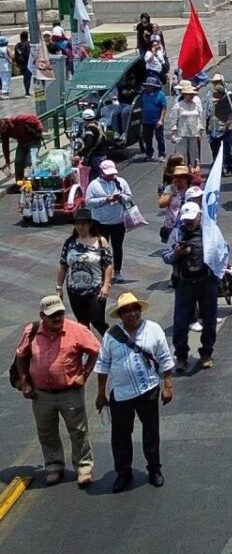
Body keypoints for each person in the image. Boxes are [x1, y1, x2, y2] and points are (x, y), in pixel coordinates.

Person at [14, 295, 100, 487]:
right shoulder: (31, 331)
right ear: (42, 316)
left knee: (78, 431)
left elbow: (95, 351)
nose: (57, 318)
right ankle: (53, 466)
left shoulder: (77, 331)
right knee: (46, 432)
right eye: (52, 315)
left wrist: (85, 374)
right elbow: (20, 356)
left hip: (70, 392)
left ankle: (84, 467)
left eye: (60, 313)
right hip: (41, 394)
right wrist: (25, 383)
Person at [94, 292, 174, 492]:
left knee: (151, 432)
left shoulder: (153, 329)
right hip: (121, 395)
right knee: (120, 436)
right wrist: (101, 394)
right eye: (127, 311)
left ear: (140, 310)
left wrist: (168, 386)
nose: (132, 314)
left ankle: (154, 469)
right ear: (120, 315)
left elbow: (165, 359)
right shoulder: (111, 336)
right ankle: (123, 473)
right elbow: (103, 366)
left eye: (135, 309)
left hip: (148, 390)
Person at [162, 203, 219, 373]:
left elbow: (223, 250)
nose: (189, 223)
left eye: (192, 219)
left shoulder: (210, 231)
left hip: (206, 282)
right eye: (186, 220)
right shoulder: (176, 233)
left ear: (199, 216)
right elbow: (166, 256)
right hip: (185, 284)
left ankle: (206, 353)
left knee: (209, 321)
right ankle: (181, 356)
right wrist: (177, 253)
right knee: (180, 323)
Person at [55, 209, 113, 334]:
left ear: (90, 224)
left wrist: (106, 285)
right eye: (77, 223)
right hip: (74, 290)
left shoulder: (100, 241)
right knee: (82, 324)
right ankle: (87, 345)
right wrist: (59, 287)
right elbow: (63, 265)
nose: (80, 227)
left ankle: (112, 341)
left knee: (97, 320)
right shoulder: (70, 242)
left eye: (83, 223)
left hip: (95, 289)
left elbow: (108, 265)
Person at [84, 160, 132, 283]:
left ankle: (117, 272)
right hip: (100, 223)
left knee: (117, 247)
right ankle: (101, 272)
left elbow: (129, 197)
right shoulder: (94, 185)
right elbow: (88, 202)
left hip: (118, 221)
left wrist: (121, 197)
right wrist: (105, 200)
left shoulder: (121, 182)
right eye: (108, 174)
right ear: (101, 172)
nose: (111, 176)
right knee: (101, 248)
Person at [0, 114, 44, 186]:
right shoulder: (4, 133)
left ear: (6, 125)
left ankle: (32, 182)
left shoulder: (17, 119)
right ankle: (20, 184)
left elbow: (34, 119)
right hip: (22, 143)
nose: (3, 132)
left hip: (34, 141)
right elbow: (5, 146)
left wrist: (39, 131)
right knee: (18, 162)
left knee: (29, 162)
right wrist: (7, 162)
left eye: (3, 130)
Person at [169, 82, 204, 168]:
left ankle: (194, 171)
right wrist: (173, 134)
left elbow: (199, 119)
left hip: (194, 133)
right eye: (189, 94)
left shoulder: (196, 105)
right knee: (182, 154)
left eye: (192, 94)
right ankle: (183, 171)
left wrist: (200, 132)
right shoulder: (178, 105)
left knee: (194, 154)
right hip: (182, 133)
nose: (192, 96)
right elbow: (174, 120)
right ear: (184, 94)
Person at [136, 77, 168, 162]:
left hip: (157, 120)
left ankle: (162, 154)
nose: (148, 87)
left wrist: (161, 120)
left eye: (150, 86)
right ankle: (149, 154)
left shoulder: (160, 94)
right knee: (147, 138)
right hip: (146, 121)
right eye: (147, 86)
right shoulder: (144, 94)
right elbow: (142, 105)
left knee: (159, 138)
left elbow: (163, 107)